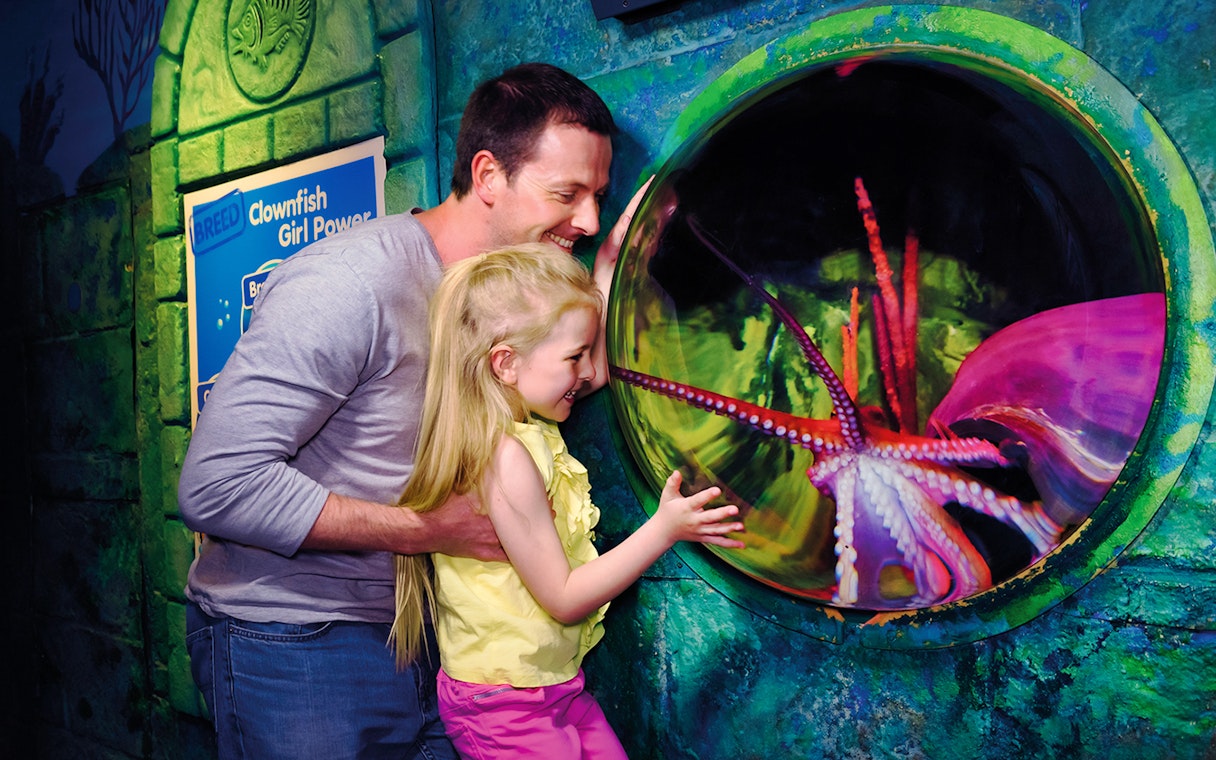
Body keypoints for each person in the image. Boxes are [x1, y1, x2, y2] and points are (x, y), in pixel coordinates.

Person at [178, 62, 639, 758]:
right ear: (487, 176)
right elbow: (216, 486)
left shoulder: (506, 293)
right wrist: (425, 529)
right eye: (567, 193)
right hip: (293, 638)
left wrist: (604, 277)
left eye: (598, 196)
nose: (588, 218)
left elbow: (565, 378)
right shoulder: (351, 283)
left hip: (433, 642)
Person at [390, 244, 746, 758]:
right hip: (504, 705)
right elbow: (564, 595)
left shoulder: (526, 418)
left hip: (552, 685)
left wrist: (604, 277)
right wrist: (664, 529)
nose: (587, 371)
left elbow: (592, 372)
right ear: (505, 364)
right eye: (574, 356)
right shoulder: (504, 458)